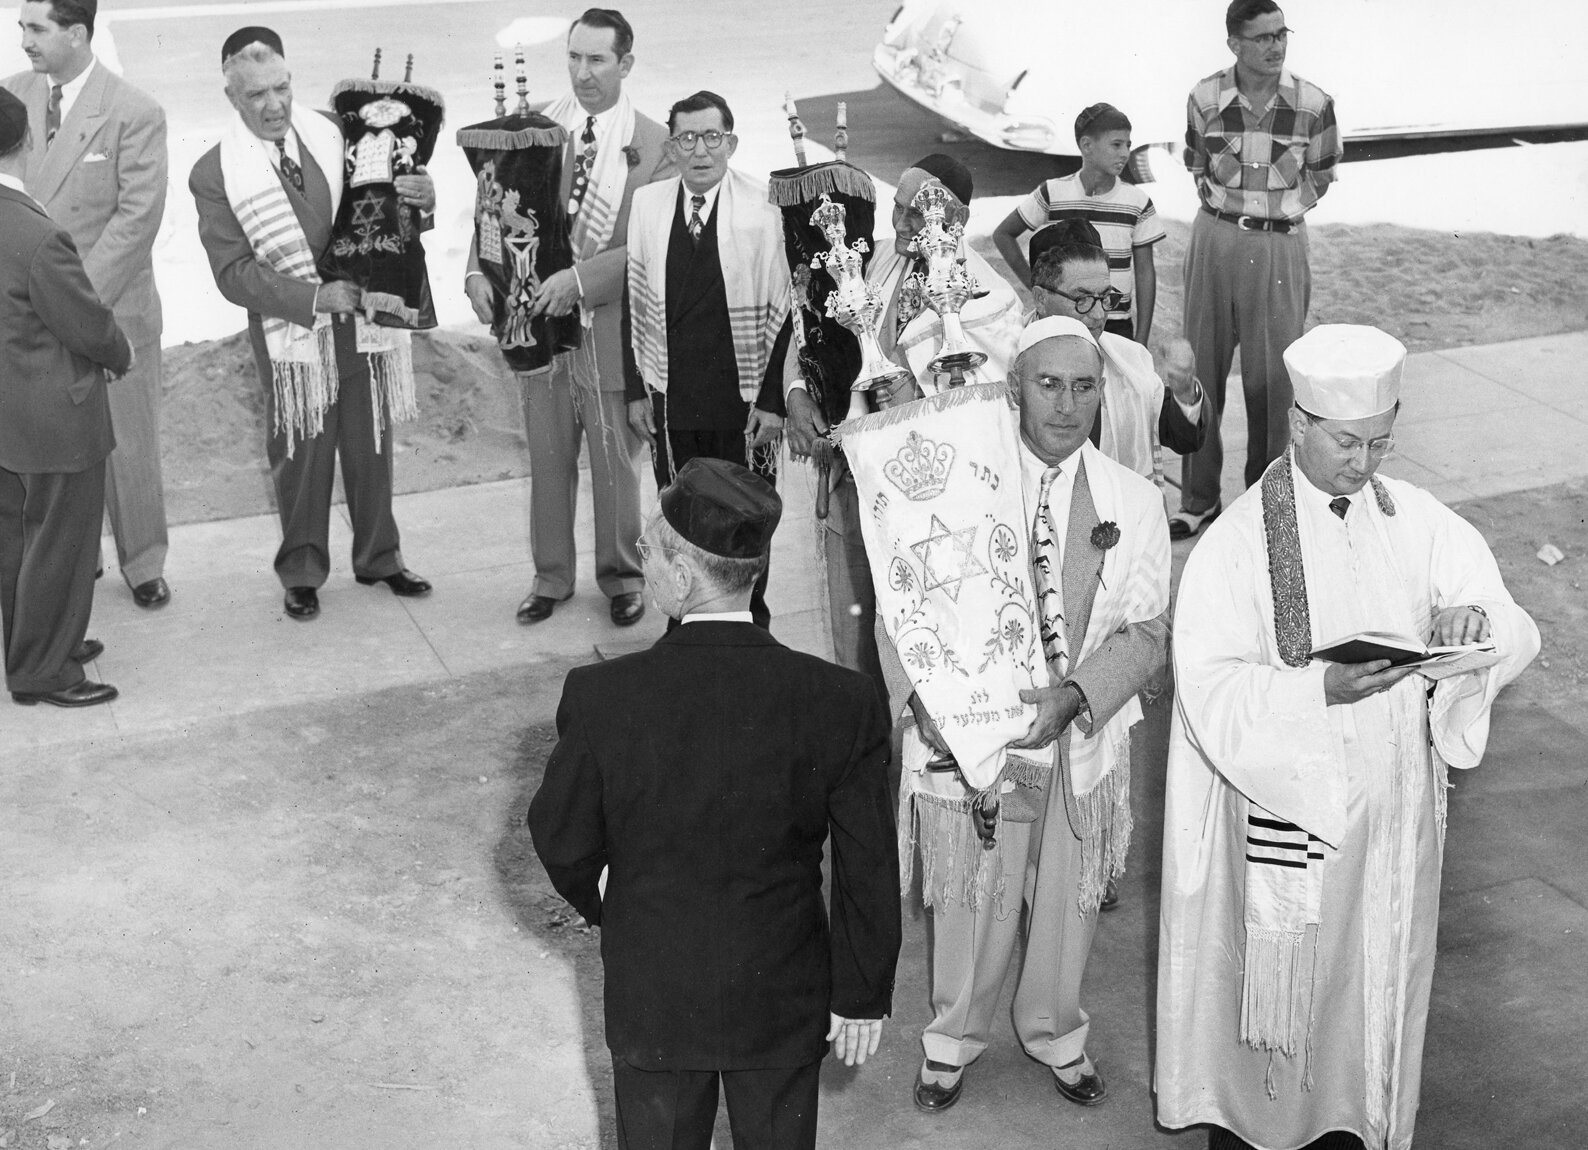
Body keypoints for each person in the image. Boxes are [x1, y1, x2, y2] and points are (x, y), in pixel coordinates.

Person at [1156, 325, 1540, 1150]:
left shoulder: (1417, 521)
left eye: (1380, 442)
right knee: (1285, 1062)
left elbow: (1511, 622)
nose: (1364, 464)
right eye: (1345, 442)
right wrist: (1318, 689)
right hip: (1300, 843)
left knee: (1371, 1037)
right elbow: (1209, 685)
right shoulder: (1237, 544)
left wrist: (1474, 623)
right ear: (1297, 425)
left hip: (1392, 843)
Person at [528, 457, 900, 1150]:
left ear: (682, 572)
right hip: (782, 995)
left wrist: (615, 894)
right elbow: (869, 861)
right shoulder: (839, 701)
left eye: (648, 548)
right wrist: (861, 991)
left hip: (656, 997)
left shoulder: (603, 698)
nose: (640, 558)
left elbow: (560, 835)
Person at [893, 317, 1170, 1114]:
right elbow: (906, 605)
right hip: (976, 736)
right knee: (972, 894)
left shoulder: (1136, 500)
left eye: (1084, 387)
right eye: (1048, 384)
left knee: (1067, 900)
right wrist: (934, 704)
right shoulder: (956, 481)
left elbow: (1148, 629)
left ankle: (1056, 1033)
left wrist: (1079, 696)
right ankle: (951, 1042)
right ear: (1014, 387)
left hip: (1078, 735)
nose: (1067, 404)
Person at [190, 26, 433, 621]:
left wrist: (424, 197)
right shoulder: (214, 171)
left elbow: (390, 215)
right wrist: (312, 298)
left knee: (371, 444)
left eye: (281, 88)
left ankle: (380, 557)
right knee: (301, 451)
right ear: (230, 96)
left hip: (367, 320)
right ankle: (301, 569)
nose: (273, 105)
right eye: (255, 96)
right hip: (292, 330)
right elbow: (232, 273)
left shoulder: (338, 131)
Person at [785, 153, 1022, 699]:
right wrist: (798, 391)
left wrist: (920, 396)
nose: (899, 225)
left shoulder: (991, 300)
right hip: (857, 476)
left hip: (935, 503)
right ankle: (861, 749)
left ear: (953, 221)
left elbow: (1000, 409)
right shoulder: (878, 265)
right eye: (898, 207)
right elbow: (823, 336)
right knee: (852, 624)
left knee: (933, 629)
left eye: (916, 214)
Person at [467, 8, 673, 629]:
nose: (583, 73)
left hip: (613, 331)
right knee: (549, 459)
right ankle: (550, 578)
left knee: (615, 463)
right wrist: (476, 274)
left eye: (597, 60)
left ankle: (622, 577)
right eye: (575, 59)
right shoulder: (535, 128)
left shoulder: (659, 143)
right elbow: (489, 209)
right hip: (541, 329)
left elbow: (649, 243)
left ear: (625, 64)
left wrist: (580, 280)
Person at [6, 0, 171, 609]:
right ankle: (78, 561)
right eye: (21, 27)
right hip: (35, 315)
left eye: (36, 28)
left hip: (109, 312)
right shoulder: (10, 96)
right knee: (54, 451)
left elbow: (138, 219)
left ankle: (144, 562)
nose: (23, 39)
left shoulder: (135, 110)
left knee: (129, 445)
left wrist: (71, 304)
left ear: (76, 33)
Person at [1173, 0, 1342, 541]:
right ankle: (1198, 500)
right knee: (1202, 372)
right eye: (1263, 37)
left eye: (1281, 34)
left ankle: (1264, 505)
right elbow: (1197, 165)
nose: (1275, 46)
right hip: (1215, 239)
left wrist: (1276, 218)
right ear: (1235, 44)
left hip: (1278, 249)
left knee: (1273, 385)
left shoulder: (1314, 103)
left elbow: (1321, 174)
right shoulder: (1204, 97)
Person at [624, 90, 791, 630]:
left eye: (712, 137)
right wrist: (636, 391)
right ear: (671, 145)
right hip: (674, 400)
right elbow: (634, 302)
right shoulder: (649, 206)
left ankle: (750, 625)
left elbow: (789, 311)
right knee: (682, 513)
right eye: (687, 138)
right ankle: (686, 623)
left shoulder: (764, 210)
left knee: (744, 517)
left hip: (742, 402)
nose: (700, 150)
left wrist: (773, 403)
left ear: (731, 143)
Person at [0, 87, 132, 707]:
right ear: (25, 144)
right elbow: (87, 323)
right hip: (54, 417)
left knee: (16, 540)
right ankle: (44, 670)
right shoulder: (36, 234)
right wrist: (120, 354)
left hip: (7, 417)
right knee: (60, 541)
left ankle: (33, 645)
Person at [1028, 219, 1207, 483]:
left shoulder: (1130, 359)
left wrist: (1184, 390)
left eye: (1105, 298)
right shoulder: (1005, 362)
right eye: (1082, 300)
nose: (1099, 315)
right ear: (1041, 298)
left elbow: (1183, 438)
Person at [994, 102, 1166, 343]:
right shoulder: (1053, 192)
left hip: (1115, 323)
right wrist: (1036, 285)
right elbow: (1003, 234)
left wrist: (1142, 338)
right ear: (1086, 146)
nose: (1125, 153)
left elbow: (1145, 271)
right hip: (1064, 319)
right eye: (1116, 144)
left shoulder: (1137, 202)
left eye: (1128, 144)